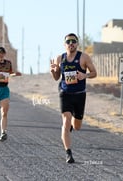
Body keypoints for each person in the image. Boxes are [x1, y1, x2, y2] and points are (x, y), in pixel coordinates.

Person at [50, 33, 97, 163]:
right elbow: (56, 77)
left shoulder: (84, 57)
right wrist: (53, 71)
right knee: (66, 120)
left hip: (80, 95)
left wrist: (84, 76)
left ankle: (72, 124)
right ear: (65, 44)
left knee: (77, 126)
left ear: (77, 43)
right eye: (68, 41)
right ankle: (68, 153)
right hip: (65, 93)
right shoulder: (60, 58)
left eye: (74, 41)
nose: (71, 43)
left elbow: (94, 73)